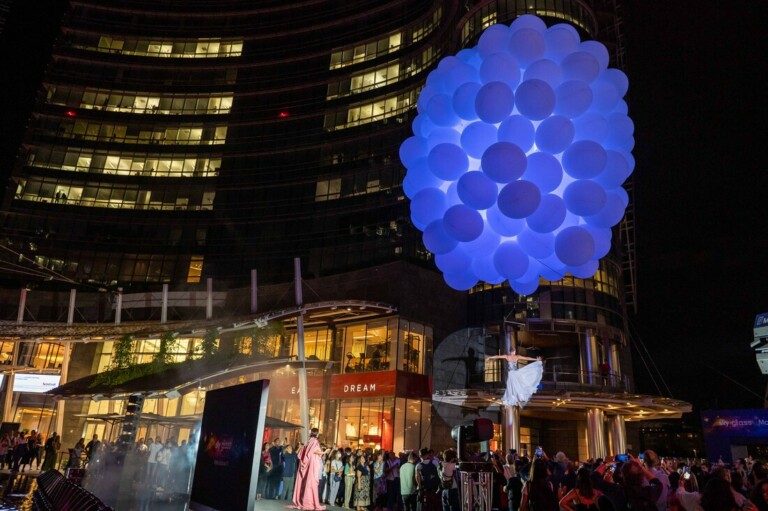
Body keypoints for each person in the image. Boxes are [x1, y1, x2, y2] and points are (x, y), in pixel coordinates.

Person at [291, 428, 326, 511]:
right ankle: (310, 503)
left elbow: (303, 453)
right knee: (312, 484)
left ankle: (305, 501)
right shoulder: (315, 441)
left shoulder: (309, 441)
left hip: (308, 465)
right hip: (312, 465)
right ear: (316, 434)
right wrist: (324, 452)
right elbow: (314, 451)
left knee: (307, 483)